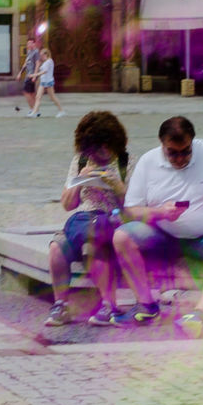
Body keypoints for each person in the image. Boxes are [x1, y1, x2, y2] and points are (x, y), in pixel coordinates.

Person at [112, 116, 203, 338]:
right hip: (162, 234)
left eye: (186, 152)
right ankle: (146, 306)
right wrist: (159, 212)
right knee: (122, 237)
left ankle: (200, 313)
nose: (180, 159)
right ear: (162, 145)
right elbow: (132, 209)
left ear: (192, 142)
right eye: (173, 153)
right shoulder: (148, 161)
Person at [44, 111, 137, 327]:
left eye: (105, 148)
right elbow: (68, 205)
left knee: (95, 242)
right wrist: (80, 180)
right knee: (57, 248)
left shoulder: (128, 162)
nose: (101, 154)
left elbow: (135, 208)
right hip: (83, 220)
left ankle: (109, 305)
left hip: (115, 220)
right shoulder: (81, 161)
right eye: (95, 150)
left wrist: (119, 188)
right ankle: (61, 305)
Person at [30, 47, 65, 117]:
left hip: (48, 82)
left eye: (42, 55)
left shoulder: (49, 61)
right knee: (38, 97)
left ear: (46, 54)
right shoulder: (45, 62)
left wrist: (34, 75)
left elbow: (44, 72)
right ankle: (34, 112)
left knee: (52, 97)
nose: (41, 57)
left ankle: (61, 111)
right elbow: (42, 70)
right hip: (43, 82)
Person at [15, 38, 40, 113]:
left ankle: (33, 110)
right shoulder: (29, 52)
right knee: (31, 93)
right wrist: (20, 73)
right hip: (28, 75)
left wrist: (35, 76)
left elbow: (38, 64)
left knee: (26, 92)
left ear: (34, 44)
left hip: (31, 75)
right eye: (28, 43)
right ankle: (36, 110)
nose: (29, 45)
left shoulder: (36, 52)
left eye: (30, 43)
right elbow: (26, 63)